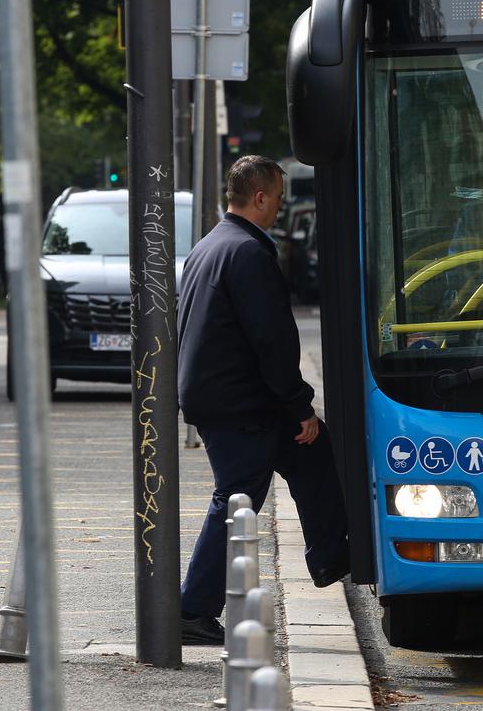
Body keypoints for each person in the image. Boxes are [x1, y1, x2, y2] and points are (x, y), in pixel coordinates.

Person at [177, 155, 349, 646]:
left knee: (315, 456)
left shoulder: (211, 245)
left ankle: (333, 556)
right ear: (259, 197)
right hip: (243, 405)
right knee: (237, 500)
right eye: (276, 197)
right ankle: (191, 610)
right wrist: (299, 406)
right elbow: (270, 340)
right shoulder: (249, 253)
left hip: (230, 398)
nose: (279, 206)